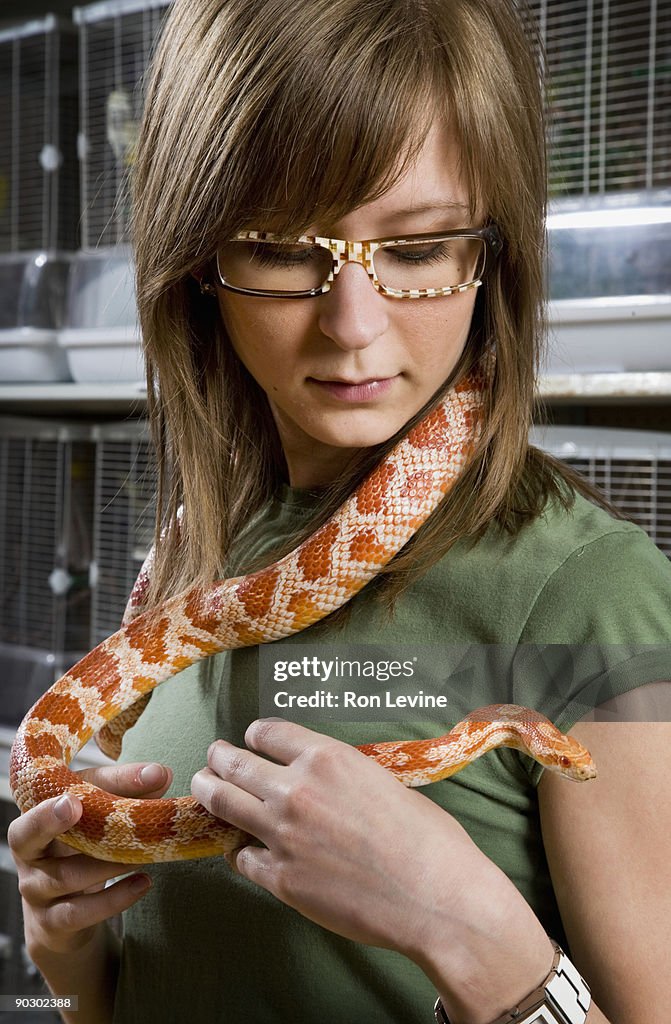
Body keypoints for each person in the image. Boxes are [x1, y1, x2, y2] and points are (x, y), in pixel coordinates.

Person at [9, 0, 671, 1021]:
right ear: (197, 267)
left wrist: (466, 929)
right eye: (278, 250)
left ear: (491, 255)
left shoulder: (585, 594)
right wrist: (76, 956)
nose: (352, 327)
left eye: (416, 250)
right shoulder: (197, 550)